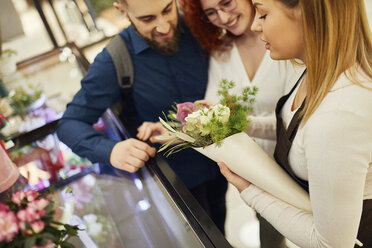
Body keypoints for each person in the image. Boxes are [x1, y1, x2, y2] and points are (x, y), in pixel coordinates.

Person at [57, 0, 228, 234]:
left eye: (168, 10)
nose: (164, 26)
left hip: (222, 165)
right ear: (122, 11)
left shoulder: (198, 26)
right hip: (174, 185)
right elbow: (69, 124)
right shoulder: (115, 58)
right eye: (147, 19)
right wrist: (111, 151)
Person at [218, 0, 372, 247]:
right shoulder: (318, 69)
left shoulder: (339, 115)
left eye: (263, 14)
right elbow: (299, 133)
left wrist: (250, 190)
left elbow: (330, 244)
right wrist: (244, 125)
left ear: (308, 11)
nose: (255, 25)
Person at [179, 0, 303, 246]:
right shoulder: (221, 50)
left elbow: (298, 120)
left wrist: (240, 122)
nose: (223, 17)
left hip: (298, 165)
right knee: (270, 236)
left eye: (226, 3)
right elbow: (213, 106)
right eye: (211, 13)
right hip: (256, 173)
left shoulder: (286, 40)